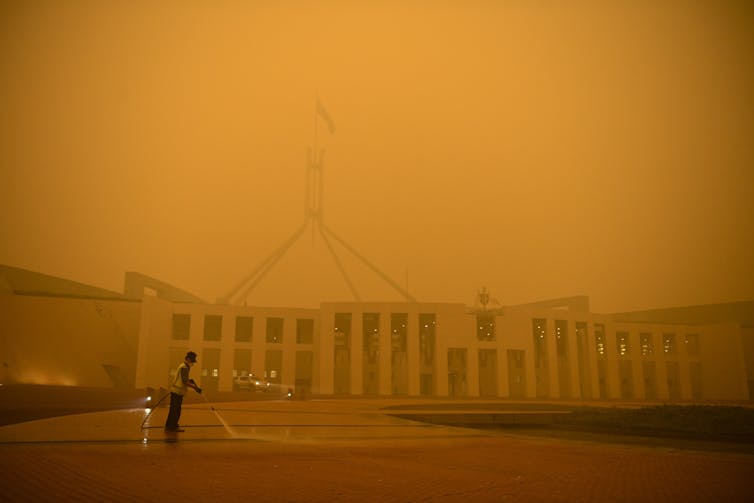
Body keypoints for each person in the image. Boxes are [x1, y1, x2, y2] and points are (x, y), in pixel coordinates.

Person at [165, 351, 202, 432]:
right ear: (188, 359)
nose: (192, 363)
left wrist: (191, 381)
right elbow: (185, 381)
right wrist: (195, 388)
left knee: (173, 409)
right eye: (192, 361)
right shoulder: (184, 367)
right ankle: (172, 426)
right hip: (177, 391)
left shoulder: (183, 366)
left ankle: (169, 425)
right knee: (176, 410)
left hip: (176, 391)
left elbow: (185, 379)